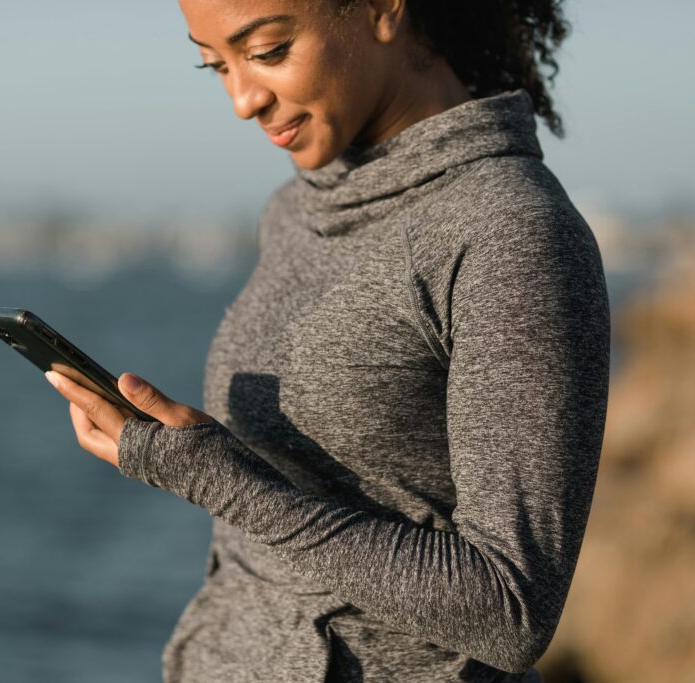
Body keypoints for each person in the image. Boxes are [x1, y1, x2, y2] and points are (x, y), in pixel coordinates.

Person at [43, 0, 610, 681]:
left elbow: (510, 611)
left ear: (382, 9)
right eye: (215, 65)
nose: (242, 99)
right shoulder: (294, 210)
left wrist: (217, 477)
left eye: (269, 51)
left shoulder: (510, 232)